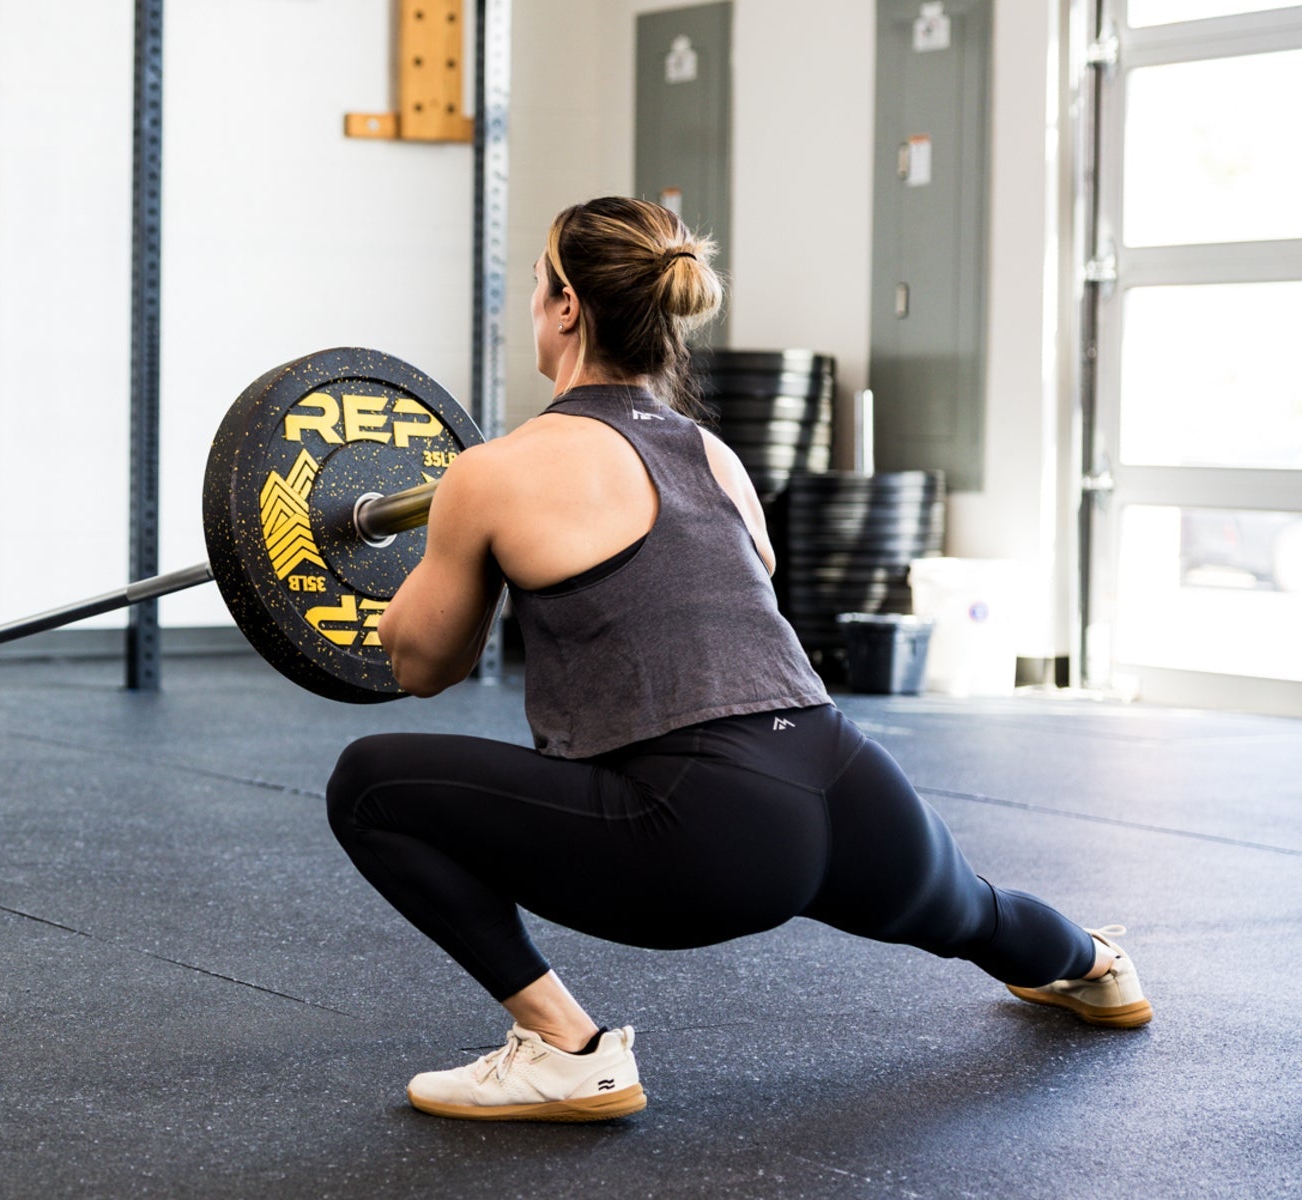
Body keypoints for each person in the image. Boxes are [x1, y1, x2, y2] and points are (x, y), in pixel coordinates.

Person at [325, 196, 1151, 1124]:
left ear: (564, 308)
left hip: (701, 833)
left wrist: (422, 560)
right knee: (976, 913)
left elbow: (422, 662)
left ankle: (565, 1051)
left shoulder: (494, 471)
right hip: (847, 783)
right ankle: (1093, 967)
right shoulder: (718, 458)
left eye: (534, 286)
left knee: (368, 785)